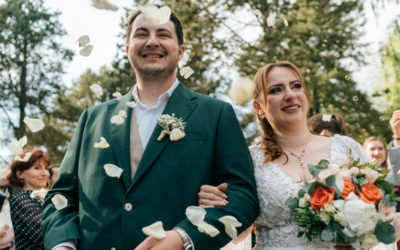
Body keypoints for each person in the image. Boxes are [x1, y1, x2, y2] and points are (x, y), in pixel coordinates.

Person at [41, 5, 259, 250]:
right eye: (142, 34)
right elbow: (61, 198)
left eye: (163, 34)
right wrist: (63, 246)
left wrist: (182, 237)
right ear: (128, 49)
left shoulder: (216, 114)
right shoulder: (91, 119)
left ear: (181, 51)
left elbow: (243, 197)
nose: (152, 41)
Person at [197, 61, 372, 250]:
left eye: (296, 86)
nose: (290, 95)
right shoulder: (248, 159)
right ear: (259, 107)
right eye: (276, 90)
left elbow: (375, 213)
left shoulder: (346, 147)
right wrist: (215, 206)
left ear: (305, 95)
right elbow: (240, 235)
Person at [8, 149, 50, 250]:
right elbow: (44, 235)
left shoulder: (50, 196)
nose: (45, 173)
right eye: (37, 168)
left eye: (46, 168)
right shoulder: (20, 199)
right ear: (20, 174)